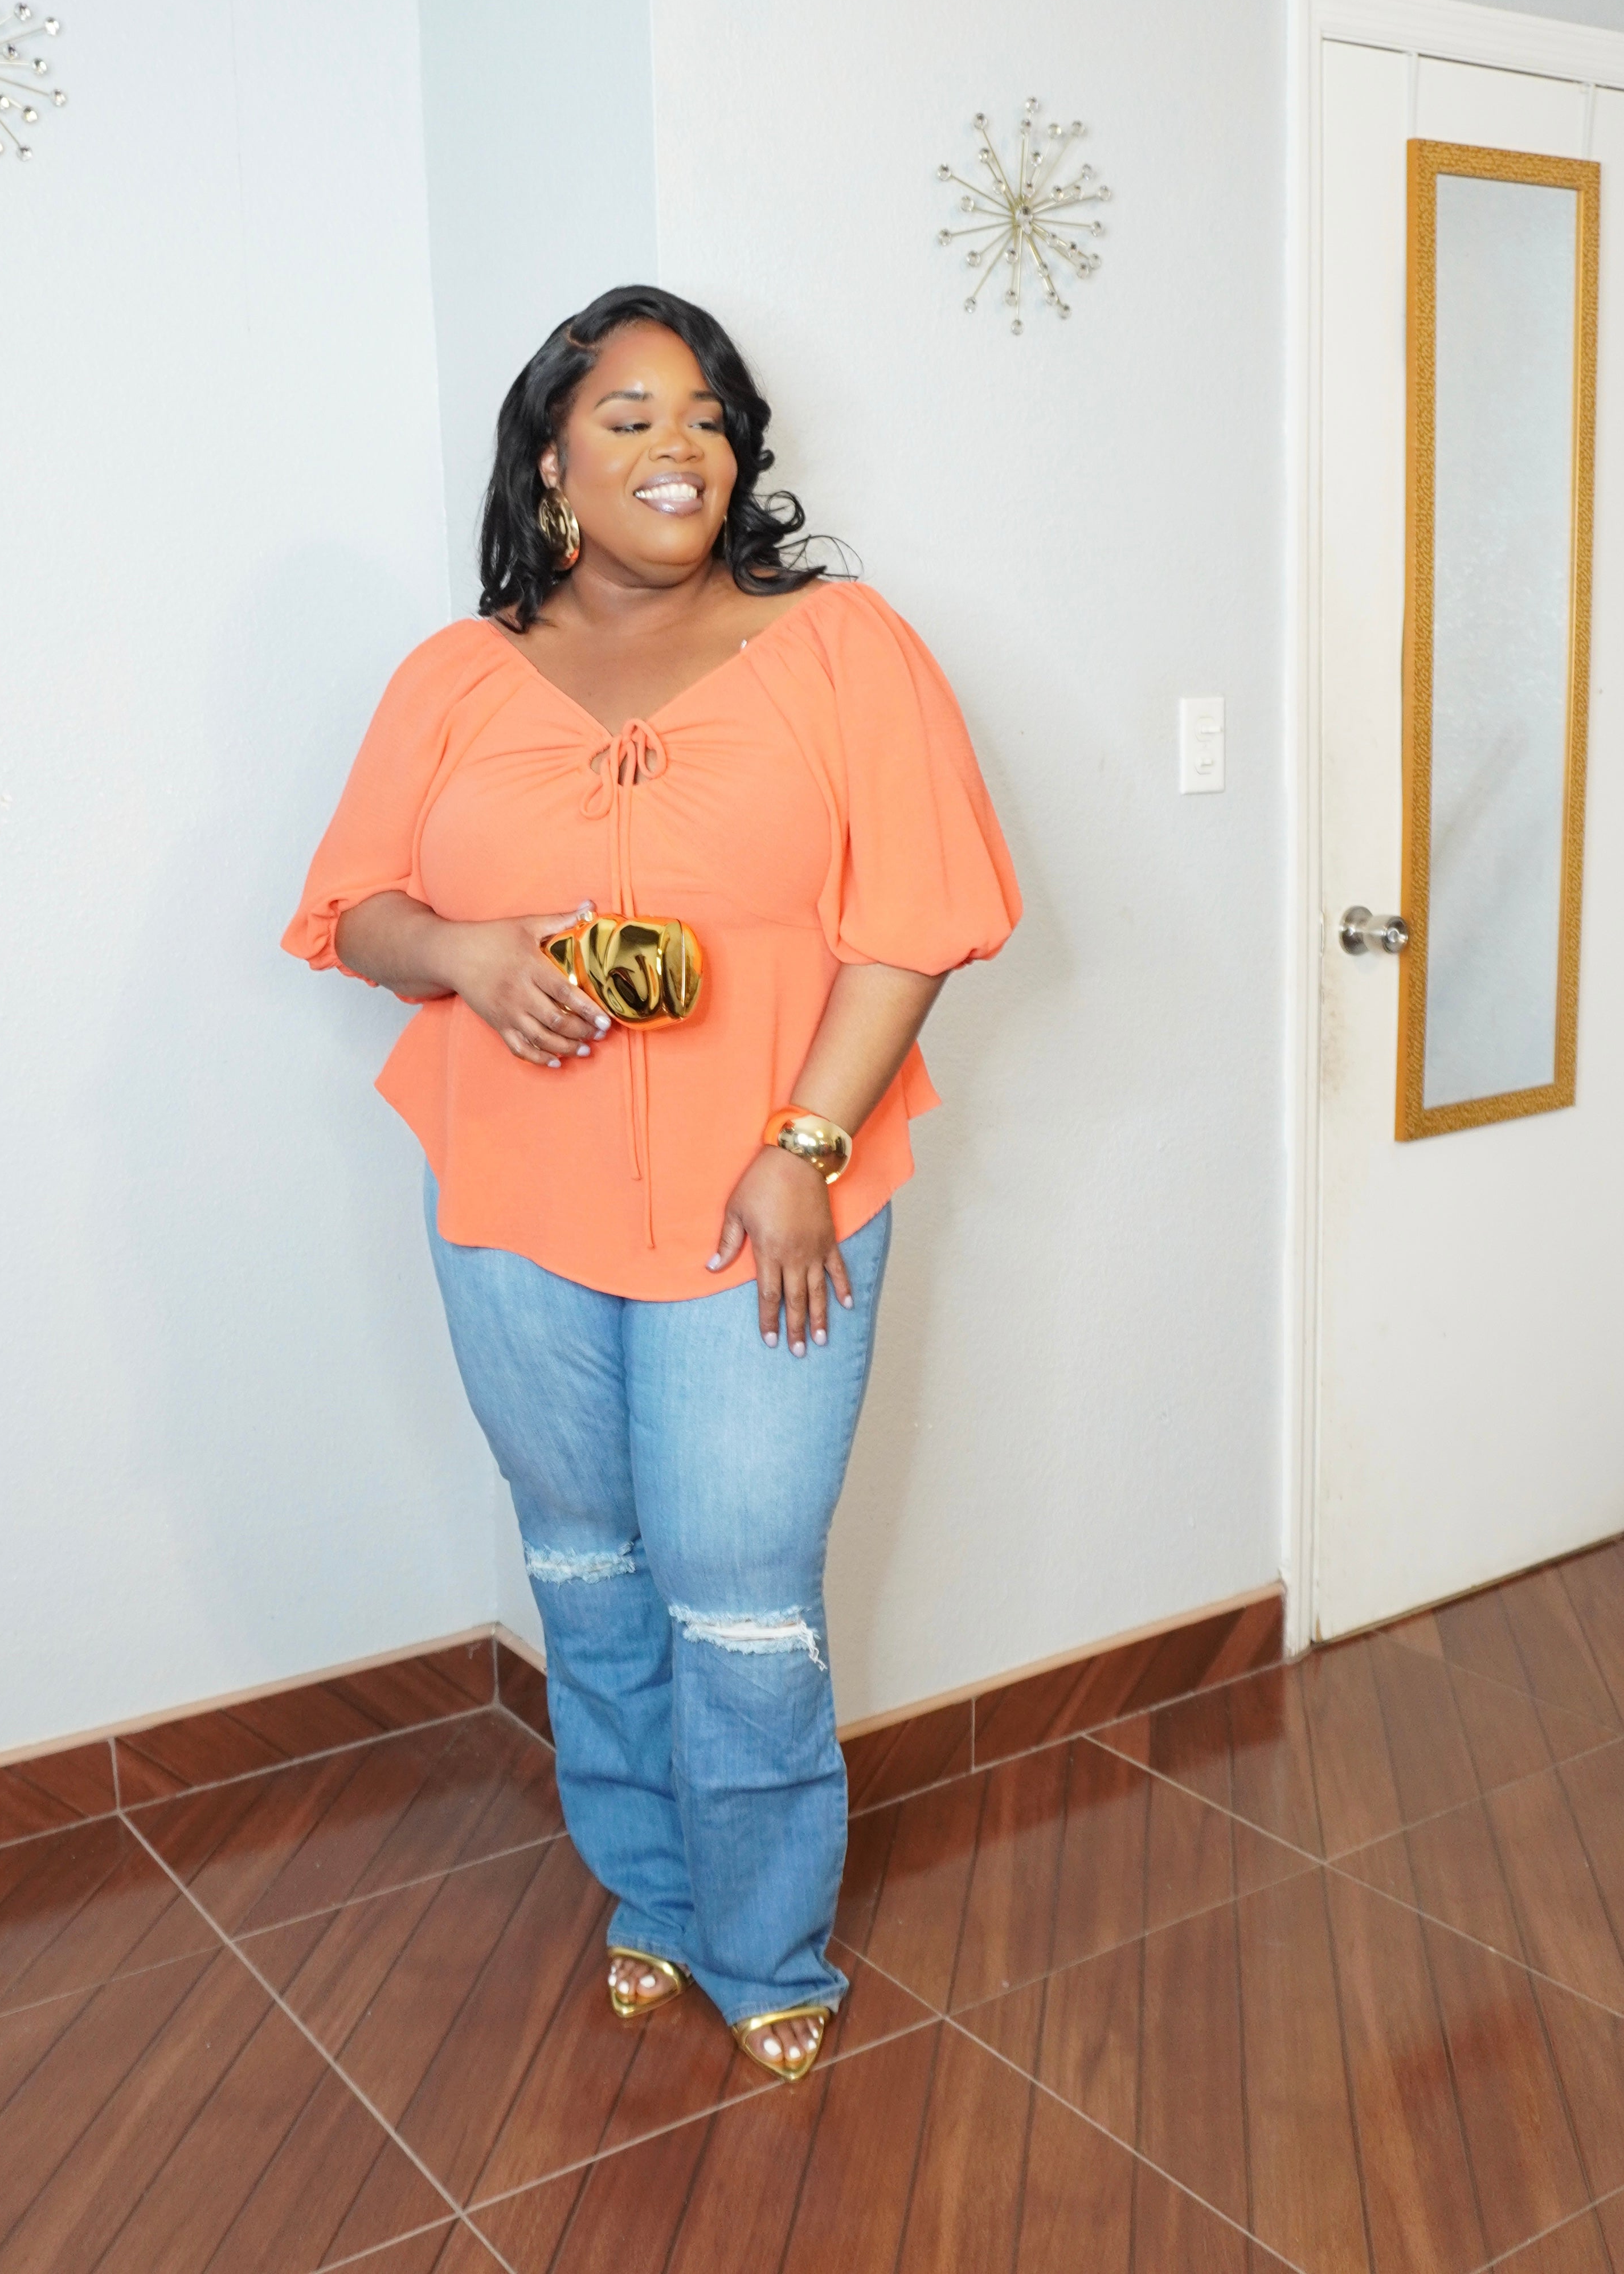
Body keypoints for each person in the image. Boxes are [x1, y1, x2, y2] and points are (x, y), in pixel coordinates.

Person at [285, 285, 1018, 2080]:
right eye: (625, 417)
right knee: (589, 1572)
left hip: (762, 1214)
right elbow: (352, 907)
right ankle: (649, 1896)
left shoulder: (848, 649)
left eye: (704, 416)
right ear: (552, 462)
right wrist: (464, 953)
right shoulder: (454, 677)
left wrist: (804, 1153)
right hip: (512, 1211)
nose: (675, 448)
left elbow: (913, 926)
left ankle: (765, 1943)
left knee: (743, 1598)